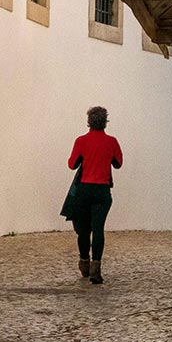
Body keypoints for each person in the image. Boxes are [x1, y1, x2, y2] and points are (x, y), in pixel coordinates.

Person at [67, 105, 123, 285]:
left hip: (83, 190)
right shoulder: (112, 142)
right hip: (102, 191)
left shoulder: (81, 141)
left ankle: (84, 261)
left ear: (89, 122)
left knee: (83, 230)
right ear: (105, 122)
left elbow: (72, 164)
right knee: (98, 229)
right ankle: (96, 269)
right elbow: (118, 163)